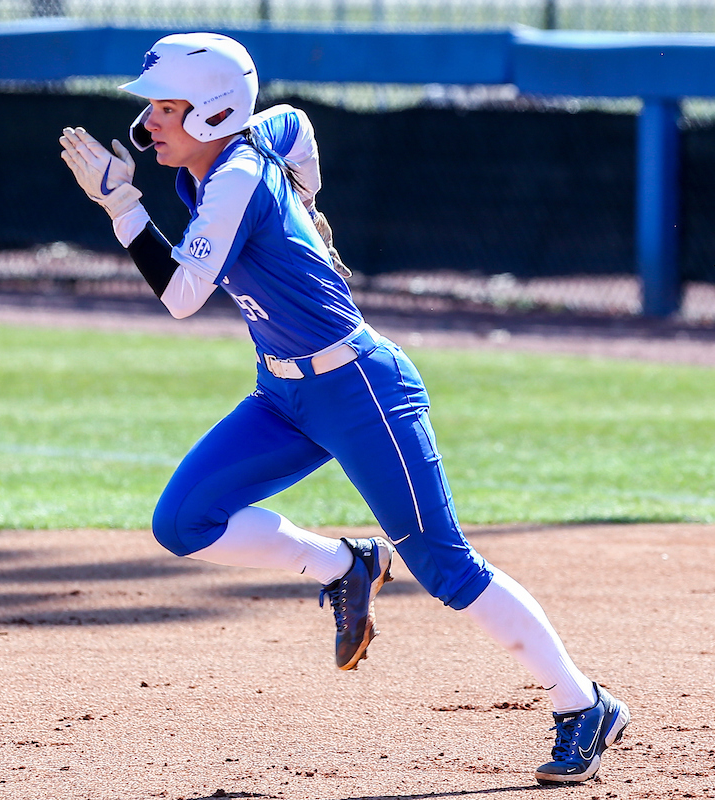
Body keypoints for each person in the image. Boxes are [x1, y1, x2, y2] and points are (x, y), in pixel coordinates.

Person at [59, 32, 630, 785]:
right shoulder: (236, 151)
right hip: (283, 394)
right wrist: (309, 199)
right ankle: (345, 565)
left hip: (361, 390)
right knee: (183, 522)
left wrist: (122, 206)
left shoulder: (232, 179)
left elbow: (182, 296)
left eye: (168, 107)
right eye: (153, 108)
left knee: (445, 567)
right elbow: (295, 124)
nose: (149, 122)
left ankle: (583, 703)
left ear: (213, 112)